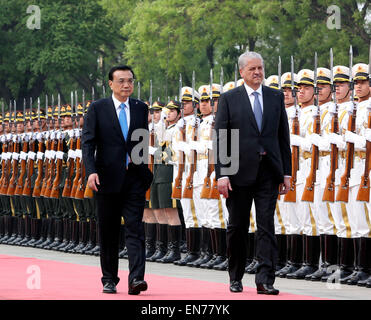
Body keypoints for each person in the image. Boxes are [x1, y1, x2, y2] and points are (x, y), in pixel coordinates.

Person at [214, 51, 291, 295]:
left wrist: (286, 172)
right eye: (252, 69)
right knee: (237, 227)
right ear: (241, 72)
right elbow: (222, 137)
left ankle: (265, 279)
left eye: (260, 68)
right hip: (237, 174)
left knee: (266, 225)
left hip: (268, 171)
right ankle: (235, 275)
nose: (257, 72)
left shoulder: (275, 97)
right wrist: (222, 174)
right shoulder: (229, 99)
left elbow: (282, 136)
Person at [82, 65, 153, 295]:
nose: (126, 85)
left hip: (134, 178)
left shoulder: (141, 108)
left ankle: (136, 279)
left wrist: (143, 171)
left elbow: (142, 141)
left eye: (130, 81)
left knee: (135, 229)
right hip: (106, 179)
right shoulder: (97, 108)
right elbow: (88, 143)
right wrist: (91, 171)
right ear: (110, 84)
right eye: (121, 81)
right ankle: (109, 278)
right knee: (109, 231)